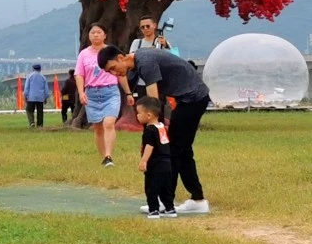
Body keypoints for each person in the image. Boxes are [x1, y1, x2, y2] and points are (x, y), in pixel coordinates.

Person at [98, 43, 212, 214]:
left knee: (171, 151)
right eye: (109, 72)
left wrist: (153, 135)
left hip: (193, 99)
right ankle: (196, 199)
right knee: (181, 151)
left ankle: (165, 201)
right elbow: (133, 88)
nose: (114, 73)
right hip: (189, 99)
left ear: (121, 58)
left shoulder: (145, 62)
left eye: (113, 67)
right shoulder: (136, 63)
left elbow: (153, 105)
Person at [77, 23, 122, 166]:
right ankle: (104, 158)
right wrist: (81, 92)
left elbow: (121, 72)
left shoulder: (111, 51)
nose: (95, 35)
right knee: (97, 128)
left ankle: (109, 155)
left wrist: (128, 93)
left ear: (105, 35)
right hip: (92, 93)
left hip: (110, 91)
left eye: (98, 32)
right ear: (88, 36)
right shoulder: (84, 54)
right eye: (92, 33)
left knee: (109, 123)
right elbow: (79, 74)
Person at [135, 97, 177, 219]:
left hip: (155, 164)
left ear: (148, 115)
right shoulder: (162, 127)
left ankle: (153, 210)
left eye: (138, 113)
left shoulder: (149, 130)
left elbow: (149, 146)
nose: (137, 116)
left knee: (151, 187)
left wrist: (144, 161)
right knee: (166, 188)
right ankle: (170, 208)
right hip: (167, 163)